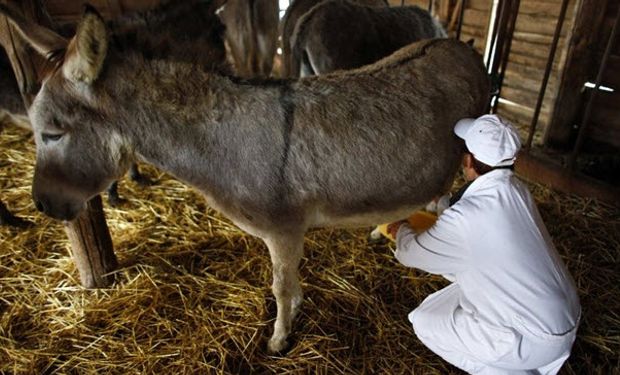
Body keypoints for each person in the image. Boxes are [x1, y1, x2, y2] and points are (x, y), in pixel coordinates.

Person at [387, 114, 581, 374]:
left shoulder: (465, 217)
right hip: (564, 315)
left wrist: (401, 230)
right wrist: (441, 202)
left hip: (533, 338)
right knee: (446, 295)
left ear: (467, 161)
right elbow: (471, 214)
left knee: (423, 322)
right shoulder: (518, 191)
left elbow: (412, 254)